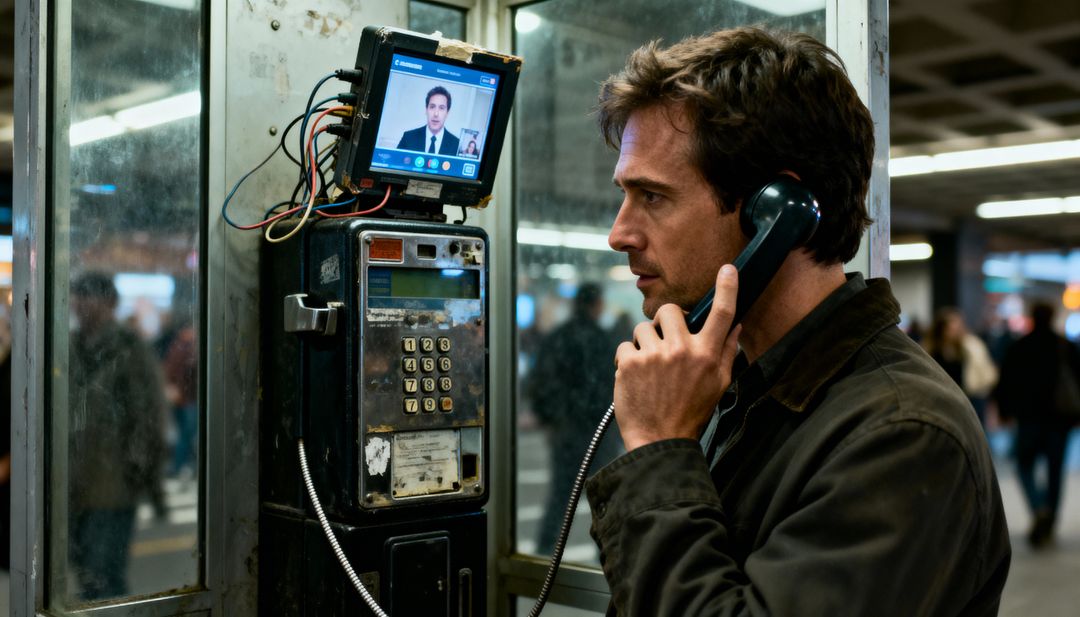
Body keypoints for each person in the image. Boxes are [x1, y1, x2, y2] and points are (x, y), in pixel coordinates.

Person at [584, 28, 1010, 615]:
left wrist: (659, 447)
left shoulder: (901, 436)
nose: (619, 233)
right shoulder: (746, 385)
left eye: (652, 197)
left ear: (776, 213)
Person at [67, 271, 167, 600]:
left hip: (114, 485)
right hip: (70, 486)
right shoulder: (65, 346)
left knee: (103, 577)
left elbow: (148, 416)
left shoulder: (129, 348)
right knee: (84, 574)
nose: (81, 304)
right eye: (78, 295)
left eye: (89, 296)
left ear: (110, 303)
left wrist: (144, 476)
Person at [528, 283, 621, 554]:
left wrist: (550, 419)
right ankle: (606, 556)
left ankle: (544, 551)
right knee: (604, 498)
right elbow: (609, 388)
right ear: (596, 305)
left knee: (560, 496)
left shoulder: (557, 337)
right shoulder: (603, 340)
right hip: (597, 433)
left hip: (566, 431)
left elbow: (540, 382)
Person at [994, 302, 1080, 549]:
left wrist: (1004, 412)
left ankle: (1037, 506)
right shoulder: (1065, 346)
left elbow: (1006, 380)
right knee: (1055, 470)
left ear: (1031, 317)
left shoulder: (1020, 346)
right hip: (1059, 420)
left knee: (1023, 464)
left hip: (1029, 419)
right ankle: (1050, 519)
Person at [922, 307, 998, 427]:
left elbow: (986, 371)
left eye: (957, 327)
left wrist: (979, 387)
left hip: (970, 397)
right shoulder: (931, 348)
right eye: (950, 328)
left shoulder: (971, 345)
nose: (954, 331)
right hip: (941, 400)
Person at [397, 86, 460, 155]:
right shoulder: (408, 137)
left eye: (441, 108)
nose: (436, 114)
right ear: (426, 109)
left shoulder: (456, 145)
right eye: (432, 107)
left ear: (447, 113)